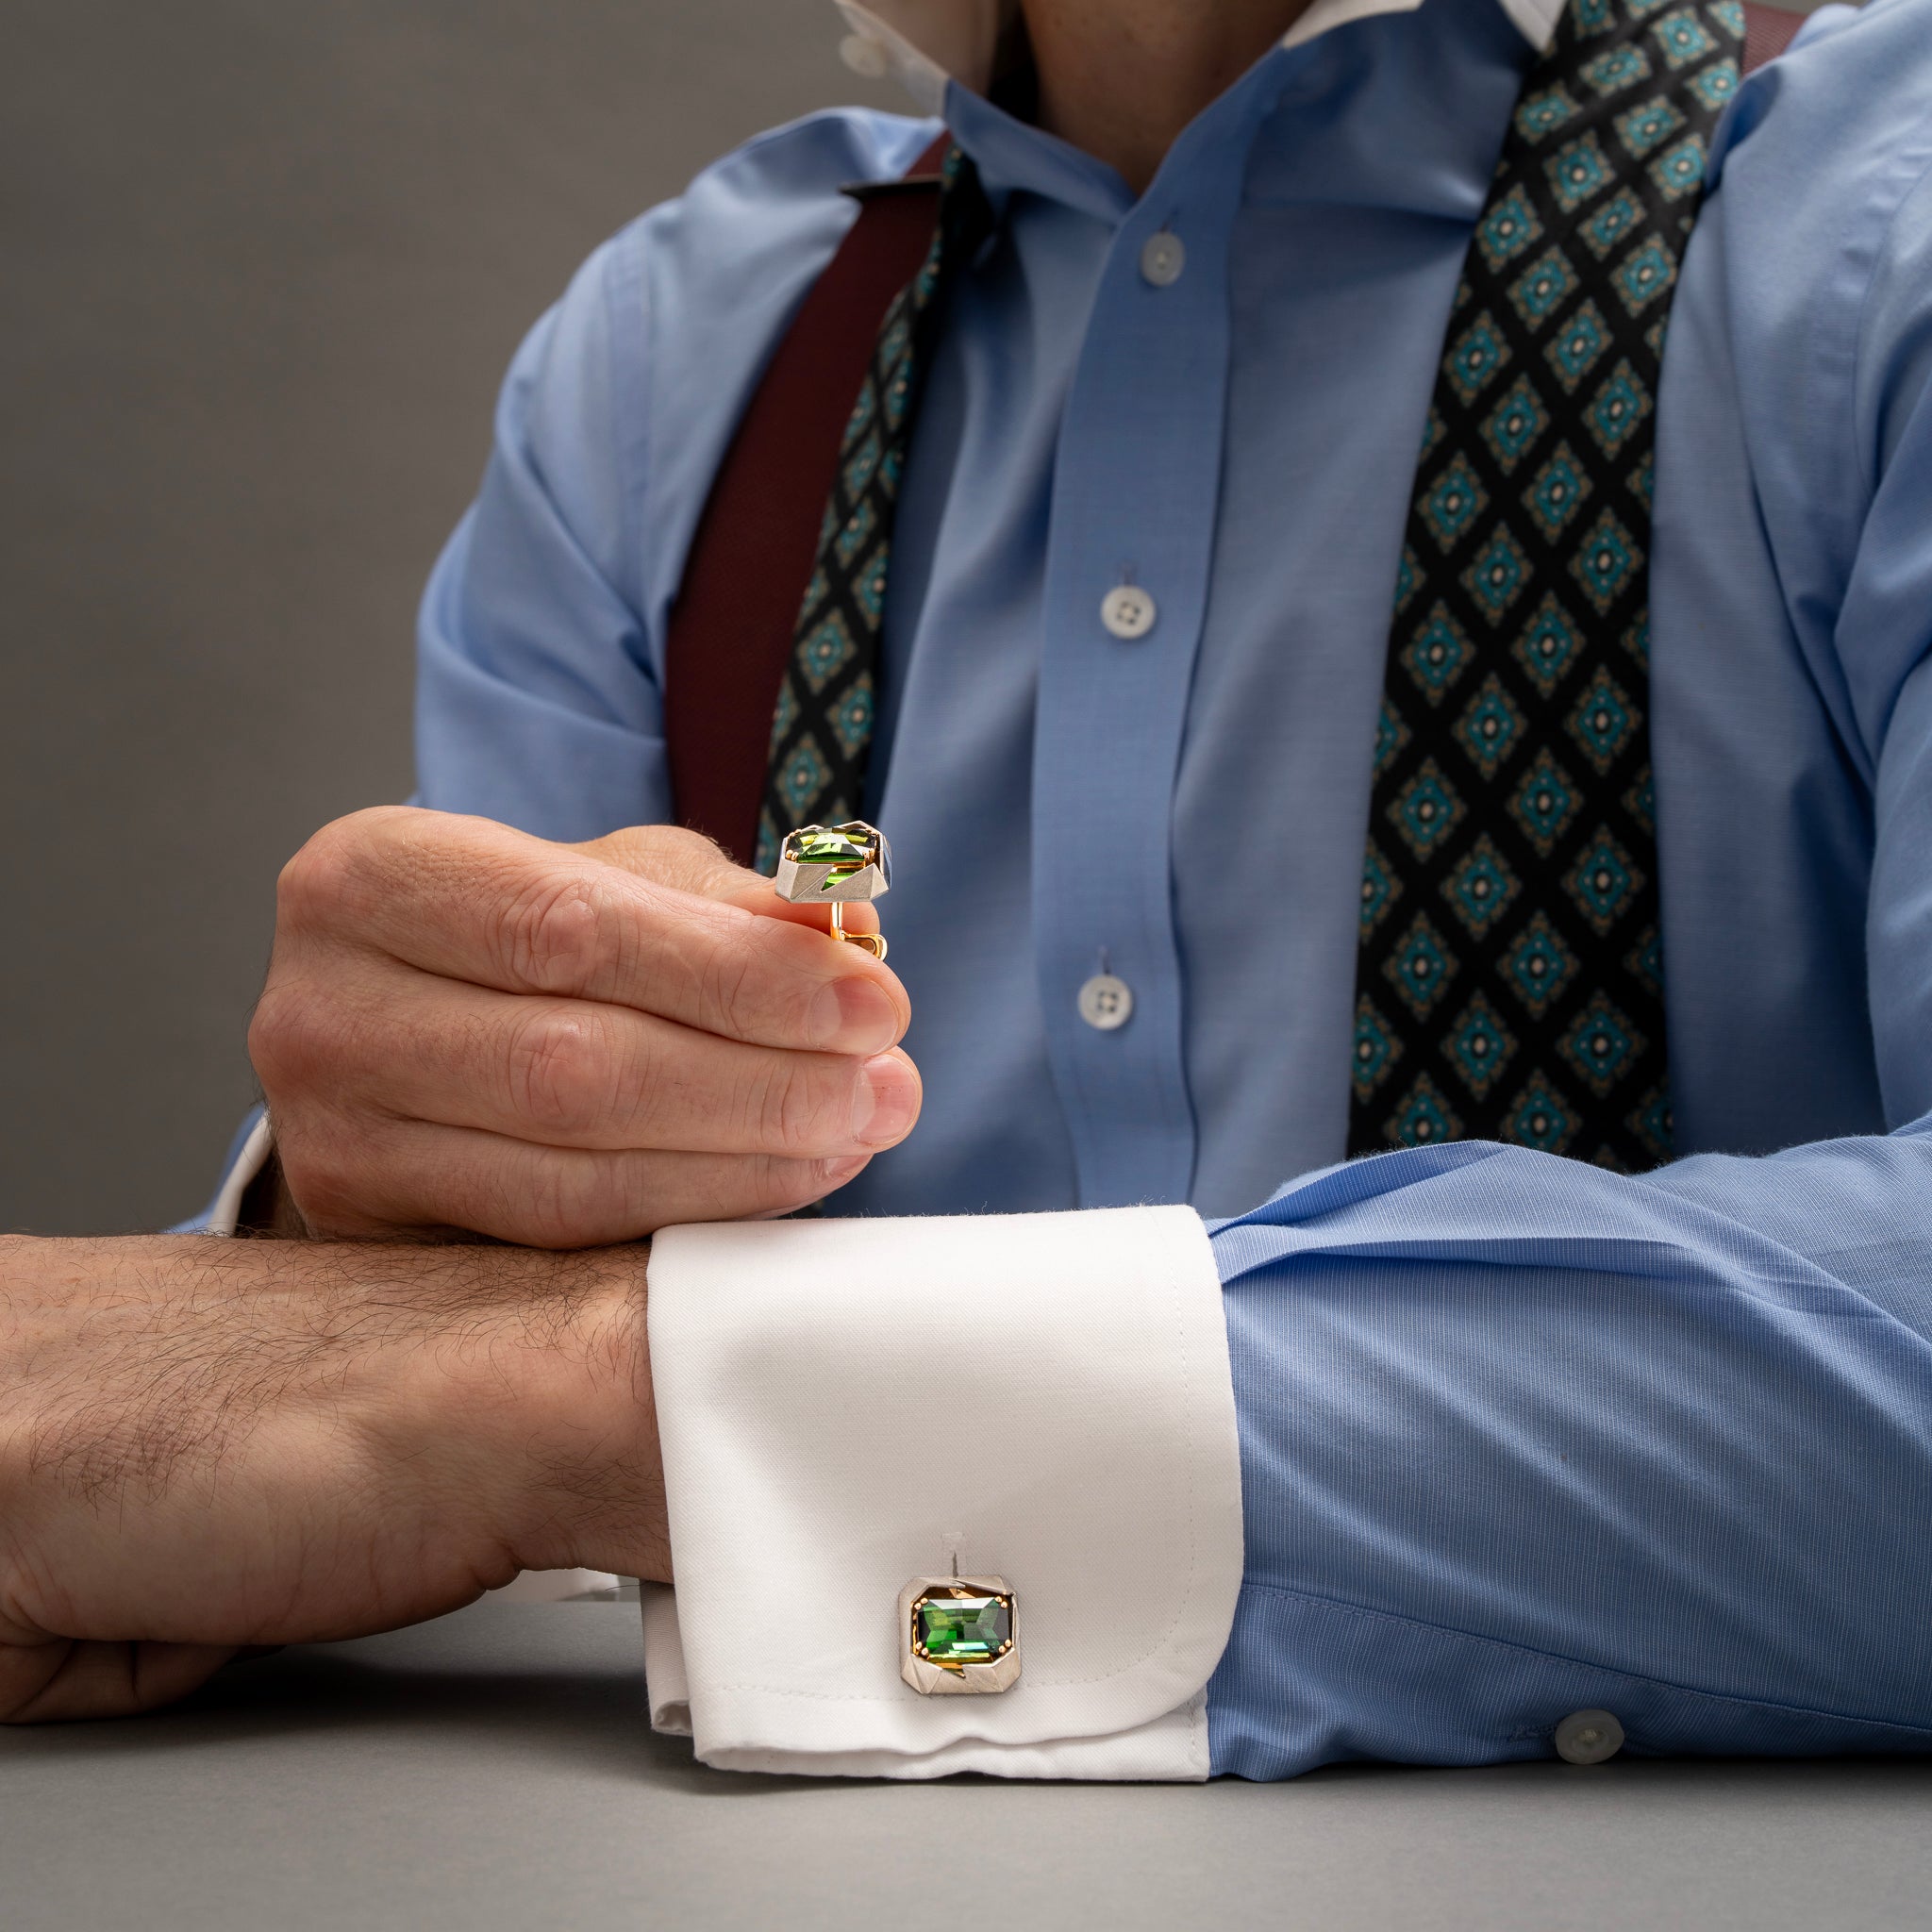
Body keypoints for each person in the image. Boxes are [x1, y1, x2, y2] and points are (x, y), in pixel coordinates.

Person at [8, 0, 1932, 1776]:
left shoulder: (1884, 227)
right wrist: (344, 1213)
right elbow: (393, 1363)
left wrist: (605, 1399)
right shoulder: (671, 364)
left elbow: (478, 1400)